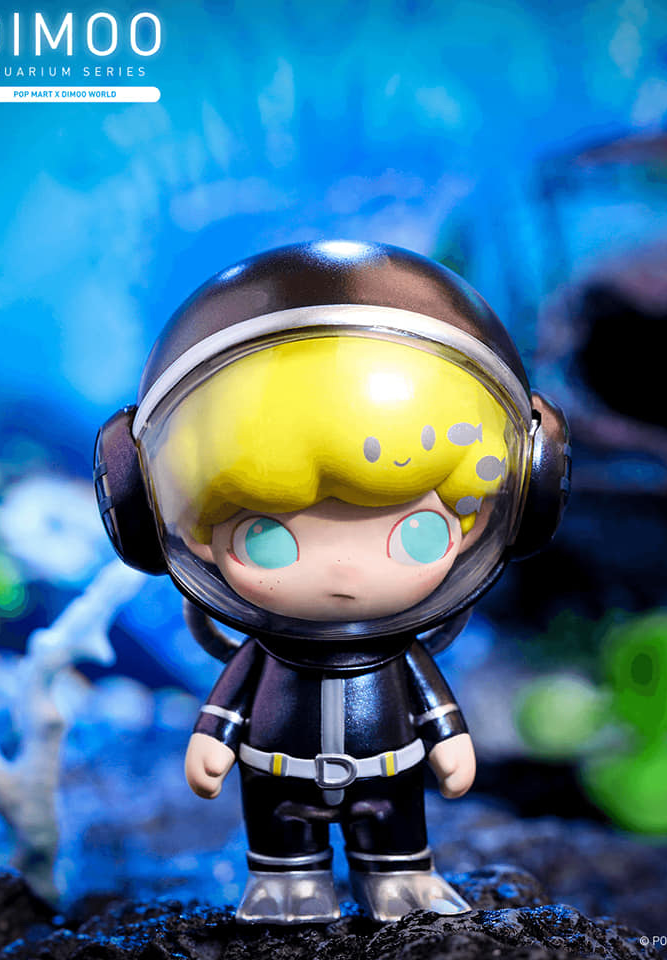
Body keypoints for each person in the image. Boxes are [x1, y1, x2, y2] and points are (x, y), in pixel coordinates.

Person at [94, 240, 570, 923]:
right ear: (150, 509)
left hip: (389, 776)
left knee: (396, 836)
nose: (345, 571)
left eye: (416, 532)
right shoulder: (267, 651)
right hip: (277, 779)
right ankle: (288, 882)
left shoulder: (396, 651)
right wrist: (212, 739)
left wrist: (449, 738)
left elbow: (429, 697)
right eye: (268, 536)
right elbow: (232, 698)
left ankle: (400, 876)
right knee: (282, 846)